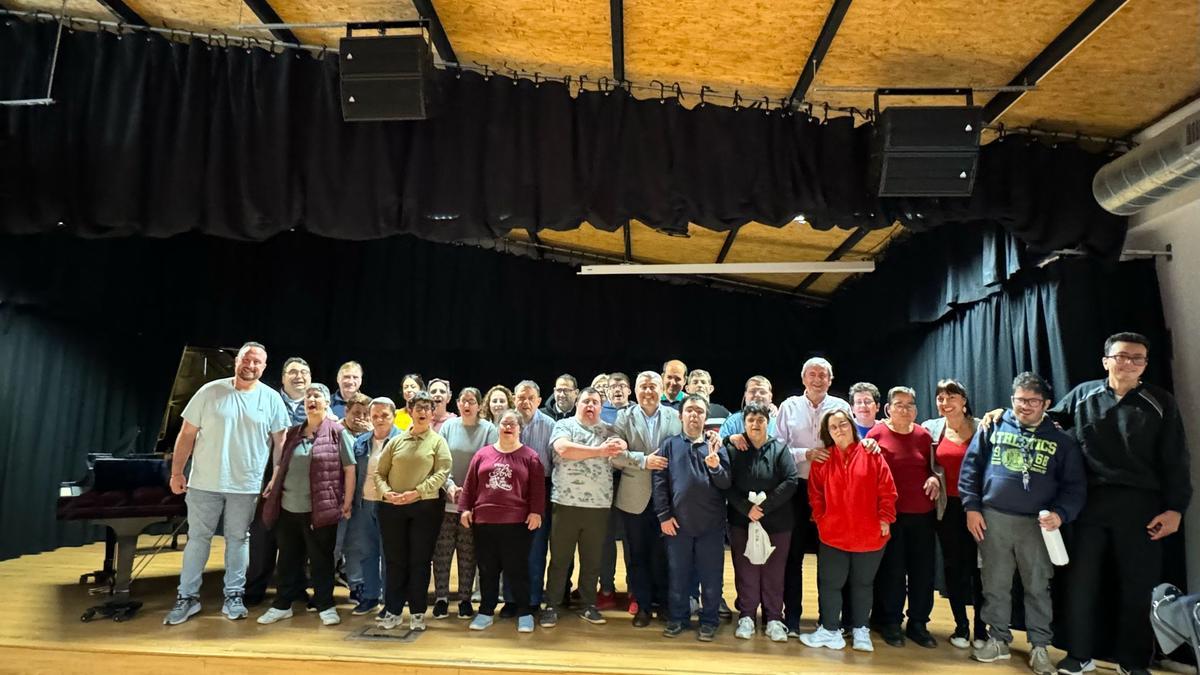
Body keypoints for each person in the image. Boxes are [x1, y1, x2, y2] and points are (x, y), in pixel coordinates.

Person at [1047, 333, 1191, 675]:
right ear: (1106, 360)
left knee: (1137, 587)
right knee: (1080, 583)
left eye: (1137, 358)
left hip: (1143, 507)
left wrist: (1175, 510)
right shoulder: (1082, 395)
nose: (1128, 363)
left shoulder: (1160, 402)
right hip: (1088, 503)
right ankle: (1078, 655)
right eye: (1122, 356)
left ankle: (1134, 662)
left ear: (1144, 365)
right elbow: (1044, 421)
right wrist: (1002, 415)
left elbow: (1176, 460)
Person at [960, 372, 1086, 675]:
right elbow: (971, 468)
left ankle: (1040, 646)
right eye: (1019, 400)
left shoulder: (1062, 442)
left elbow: (1075, 487)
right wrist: (971, 507)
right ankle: (998, 640)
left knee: (1037, 586)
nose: (1024, 406)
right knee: (995, 584)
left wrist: (1061, 513)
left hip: (1037, 526)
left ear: (1046, 404)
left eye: (1032, 401)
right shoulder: (993, 426)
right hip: (994, 519)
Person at [164, 341, 290, 626]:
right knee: (197, 540)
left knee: (238, 540)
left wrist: (276, 477)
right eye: (247, 359)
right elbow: (186, 434)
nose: (251, 365)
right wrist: (177, 472)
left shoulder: (271, 399)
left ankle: (234, 595)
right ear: (237, 361)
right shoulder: (209, 392)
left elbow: (280, 442)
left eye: (257, 362)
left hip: (245, 485)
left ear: (264, 366)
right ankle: (187, 597)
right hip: (203, 482)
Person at [256, 383, 356, 627]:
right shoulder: (293, 432)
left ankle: (325, 604)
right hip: (288, 507)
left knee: (321, 559)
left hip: (320, 509)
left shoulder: (337, 431)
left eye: (317, 396)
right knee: (288, 558)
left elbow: (349, 468)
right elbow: (282, 463)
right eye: (308, 397)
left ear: (327, 403)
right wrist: (273, 481)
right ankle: (282, 604)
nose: (312, 400)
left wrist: (347, 501)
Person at [801, 410, 896, 653]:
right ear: (828, 433)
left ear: (851, 426)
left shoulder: (871, 453)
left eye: (843, 424)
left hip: (869, 535)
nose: (839, 430)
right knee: (831, 583)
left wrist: (885, 518)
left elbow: (887, 489)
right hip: (833, 534)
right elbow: (815, 495)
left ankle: (861, 630)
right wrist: (822, 519)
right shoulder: (823, 459)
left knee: (863, 584)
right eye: (833, 427)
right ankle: (830, 630)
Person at [770, 357, 851, 638]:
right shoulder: (788, 406)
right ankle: (791, 618)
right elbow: (777, 448)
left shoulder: (841, 408)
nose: (818, 379)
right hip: (795, 489)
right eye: (813, 374)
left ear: (831, 379)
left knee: (829, 556)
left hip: (832, 490)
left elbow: (848, 447)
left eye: (823, 375)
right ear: (804, 378)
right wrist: (806, 454)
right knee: (792, 557)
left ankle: (827, 619)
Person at [540, 387, 627, 628]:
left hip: (598, 506)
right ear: (578, 402)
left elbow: (621, 458)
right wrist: (600, 451)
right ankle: (552, 606)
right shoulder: (564, 426)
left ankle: (589, 605)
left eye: (596, 402)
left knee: (592, 560)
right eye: (586, 401)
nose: (590, 405)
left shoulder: (609, 431)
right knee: (559, 559)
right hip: (565, 503)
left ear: (601, 407)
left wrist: (620, 445)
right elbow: (564, 450)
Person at [458, 409, 546, 633]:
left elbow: (537, 490)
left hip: (516, 524)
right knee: (487, 569)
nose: (507, 427)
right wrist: (465, 509)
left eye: (512, 424)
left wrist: (536, 512)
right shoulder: (482, 454)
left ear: (519, 429)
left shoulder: (531, 457)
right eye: (504, 424)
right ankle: (486, 611)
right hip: (484, 522)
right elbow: (470, 486)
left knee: (517, 569)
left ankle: (524, 613)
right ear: (497, 427)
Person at [654, 394, 731, 642]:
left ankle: (709, 621)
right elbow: (659, 482)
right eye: (690, 410)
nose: (694, 415)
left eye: (699, 411)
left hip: (711, 526)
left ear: (705, 417)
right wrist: (664, 516)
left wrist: (715, 466)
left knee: (711, 578)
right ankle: (678, 619)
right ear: (681, 415)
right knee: (679, 575)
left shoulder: (716, 446)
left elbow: (726, 483)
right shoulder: (669, 445)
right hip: (678, 525)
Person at [867, 386, 939, 648]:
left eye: (910, 405)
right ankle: (891, 622)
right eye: (899, 404)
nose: (904, 409)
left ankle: (918, 623)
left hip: (923, 515)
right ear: (888, 408)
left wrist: (934, 477)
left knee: (922, 572)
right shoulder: (877, 434)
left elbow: (934, 469)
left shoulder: (923, 435)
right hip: (891, 516)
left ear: (916, 410)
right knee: (893, 572)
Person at [374, 391, 451, 631]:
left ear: (431, 413)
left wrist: (417, 492)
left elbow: (442, 472)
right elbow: (379, 473)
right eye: (418, 407)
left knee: (419, 561)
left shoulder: (437, 441)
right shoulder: (395, 441)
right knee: (395, 561)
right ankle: (394, 610)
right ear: (409, 411)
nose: (422, 412)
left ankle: (417, 612)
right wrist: (387, 493)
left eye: (427, 408)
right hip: (392, 508)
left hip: (424, 508)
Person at [725, 401, 798, 642]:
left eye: (760, 420)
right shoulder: (735, 449)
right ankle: (746, 616)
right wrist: (747, 509)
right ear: (744, 423)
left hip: (777, 523)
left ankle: (774, 618)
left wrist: (763, 509)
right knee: (745, 570)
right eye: (751, 420)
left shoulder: (779, 448)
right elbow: (726, 484)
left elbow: (790, 481)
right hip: (741, 521)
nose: (755, 424)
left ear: (769, 422)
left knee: (774, 572)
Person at [921, 379, 986, 649]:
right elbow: (921, 463)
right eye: (940, 398)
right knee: (954, 567)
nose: (945, 403)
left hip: (980, 509)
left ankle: (982, 629)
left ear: (964, 400)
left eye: (951, 397)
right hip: (947, 509)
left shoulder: (984, 426)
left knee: (981, 569)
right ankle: (961, 625)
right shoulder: (930, 428)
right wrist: (932, 477)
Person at [610, 371, 677, 627]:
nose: (648, 392)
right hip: (633, 498)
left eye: (652, 386)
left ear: (661, 389)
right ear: (635, 391)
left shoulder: (675, 416)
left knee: (663, 555)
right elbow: (614, 456)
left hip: (667, 499)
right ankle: (643, 607)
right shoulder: (623, 417)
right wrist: (643, 461)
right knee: (637, 556)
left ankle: (664, 606)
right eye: (643, 387)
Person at [433, 387, 497, 620]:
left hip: (473, 504)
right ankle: (441, 598)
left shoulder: (489, 430)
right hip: (448, 500)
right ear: (458, 404)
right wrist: (449, 486)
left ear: (480, 405)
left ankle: (465, 600)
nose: (467, 404)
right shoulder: (449, 427)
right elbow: (440, 462)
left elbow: (490, 466)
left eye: (472, 401)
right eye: (463, 401)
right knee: (442, 551)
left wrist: (469, 494)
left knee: (468, 554)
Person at [344, 396, 401, 616]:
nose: (379, 420)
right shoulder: (362, 441)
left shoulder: (402, 440)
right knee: (367, 552)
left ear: (394, 417)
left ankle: (389, 600)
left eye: (384, 415)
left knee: (389, 555)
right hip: (364, 503)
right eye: (375, 415)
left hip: (390, 505)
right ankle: (369, 597)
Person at [512, 380, 557, 609]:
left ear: (539, 401)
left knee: (536, 549)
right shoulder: (506, 423)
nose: (525, 402)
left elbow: (555, 463)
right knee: (510, 549)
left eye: (530, 398)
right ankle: (511, 600)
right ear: (514, 399)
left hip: (541, 489)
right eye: (521, 397)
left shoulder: (550, 425)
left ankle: (532, 600)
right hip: (510, 492)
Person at [279, 357, 312, 425]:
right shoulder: (271, 400)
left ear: (310, 378)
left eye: (304, 372)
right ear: (283, 378)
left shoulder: (319, 404)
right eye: (293, 372)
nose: (299, 376)